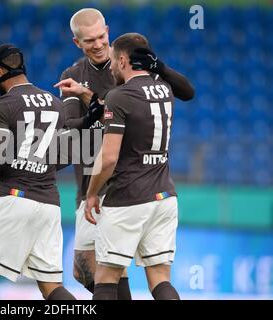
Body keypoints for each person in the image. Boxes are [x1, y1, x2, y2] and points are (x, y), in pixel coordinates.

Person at [54, 8, 194, 299]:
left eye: (101, 36)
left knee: (104, 272)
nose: (97, 44)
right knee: (86, 270)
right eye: (89, 40)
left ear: (108, 31)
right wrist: (84, 96)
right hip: (112, 182)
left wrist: (89, 97)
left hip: (116, 183)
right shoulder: (72, 75)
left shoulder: (132, 62)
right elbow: (71, 126)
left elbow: (185, 91)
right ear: (76, 42)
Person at [0, 44, 75, 300]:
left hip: (13, 198)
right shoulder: (56, 103)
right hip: (49, 203)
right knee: (52, 287)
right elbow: (68, 155)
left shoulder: (2, 105)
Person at [85, 33, 181, 300]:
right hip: (163, 196)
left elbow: (109, 158)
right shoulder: (165, 90)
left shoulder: (120, 96)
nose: (112, 66)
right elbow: (188, 90)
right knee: (160, 278)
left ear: (124, 60)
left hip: (128, 197)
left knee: (106, 276)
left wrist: (92, 193)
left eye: (114, 60)